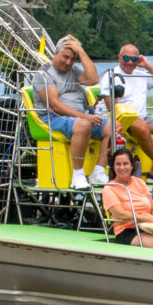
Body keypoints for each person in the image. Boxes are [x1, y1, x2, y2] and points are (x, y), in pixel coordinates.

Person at [31, 35, 110, 189]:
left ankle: (98, 172)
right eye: (65, 57)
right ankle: (78, 175)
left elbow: (93, 79)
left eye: (72, 59)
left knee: (114, 126)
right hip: (53, 118)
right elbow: (55, 105)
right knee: (83, 125)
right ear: (55, 53)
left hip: (77, 118)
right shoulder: (44, 73)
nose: (68, 62)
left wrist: (81, 51)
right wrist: (86, 117)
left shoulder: (74, 70)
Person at [101, 44, 153, 176]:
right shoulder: (111, 75)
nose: (130, 62)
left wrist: (147, 65)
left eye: (134, 59)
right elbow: (110, 107)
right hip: (122, 118)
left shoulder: (141, 75)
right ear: (119, 57)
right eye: (126, 58)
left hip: (142, 117)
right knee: (142, 128)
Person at [101, 148, 153, 252]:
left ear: (132, 166)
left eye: (125, 164)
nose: (122, 167)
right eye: (118, 164)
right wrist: (150, 219)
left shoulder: (139, 182)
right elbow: (121, 214)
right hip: (127, 230)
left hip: (149, 227)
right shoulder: (109, 188)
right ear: (113, 167)